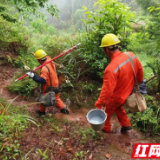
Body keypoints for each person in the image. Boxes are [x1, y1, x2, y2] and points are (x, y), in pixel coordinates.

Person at [95, 33, 144, 133]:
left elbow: (107, 92)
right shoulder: (131, 56)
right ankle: (126, 125)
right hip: (128, 91)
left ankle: (106, 129)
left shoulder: (111, 68)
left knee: (108, 109)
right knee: (117, 107)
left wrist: (99, 104)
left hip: (118, 96)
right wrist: (133, 87)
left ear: (107, 49)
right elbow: (140, 74)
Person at [26, 50, 69, 116]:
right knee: (56, 98)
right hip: (56, 83)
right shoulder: (49, 59)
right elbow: (43, 57)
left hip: (49, 87)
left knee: (43, 99)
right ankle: (64, 109)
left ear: (40, 60)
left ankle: (41, 112)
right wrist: (36, 55)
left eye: (38, 60)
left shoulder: (44, 69)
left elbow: (42, 80)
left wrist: (33, 76)